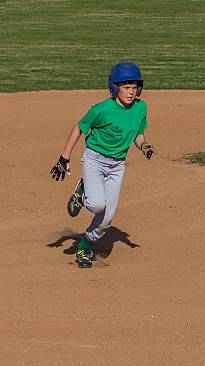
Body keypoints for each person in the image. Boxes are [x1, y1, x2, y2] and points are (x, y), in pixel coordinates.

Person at [50, 61, 154, 268]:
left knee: (106, 219)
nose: (131, 92)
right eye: (125, 87)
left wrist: (144, 147)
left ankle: (84, 245)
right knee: (97, 204)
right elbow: (79, 128)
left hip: (117, 166)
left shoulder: (141, 108)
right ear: (114, 88)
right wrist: (65, 157)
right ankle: (83, 188)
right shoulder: (101, 110)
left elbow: (139, 135)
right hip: (95, 160)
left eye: (134, 87)